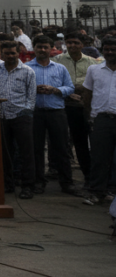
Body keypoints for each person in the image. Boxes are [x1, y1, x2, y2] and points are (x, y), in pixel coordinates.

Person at [26, 35, 76, 195]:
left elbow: (70, 87)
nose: (42, 50)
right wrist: (34, 89)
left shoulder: (59, 68)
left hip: (56, 112)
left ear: (51, 49)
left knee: (61, 148)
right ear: (34, 48)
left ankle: (66, 182)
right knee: (36, 149)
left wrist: (55, 90)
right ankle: (39, 182)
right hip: (35, 113)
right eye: (39, 47)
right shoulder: (27, 68)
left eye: (45, 47)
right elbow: (21, 89)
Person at [0, 40, 37, 198]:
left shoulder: (27, 71)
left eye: (13, 53)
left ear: (18, 54)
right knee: (5, 152)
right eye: (6, 53)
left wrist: (26, 113)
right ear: (1, 54)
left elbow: (31, 96)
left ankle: (28, 186)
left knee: (26, 153)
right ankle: (7, 184)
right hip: (1, 116)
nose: (10, 56)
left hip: (21, 116)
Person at [54, 32, 99, 183]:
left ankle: (89, 175)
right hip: (64, 104)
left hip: (85, 106)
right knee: (63, 142)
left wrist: (83, 93)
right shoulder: (58, 61)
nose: (72, 45)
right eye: (69, 42)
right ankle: (64, 176)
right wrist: (69, 92)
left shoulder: (92, 63)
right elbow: (54, 82)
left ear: (82, 44)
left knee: (85, 143)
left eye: (75, 42)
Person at [80, 37, 116, 206]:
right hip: (101, 119)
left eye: (113, 50)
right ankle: (96, 191)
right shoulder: (94, 70)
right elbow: (87, 95)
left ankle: (111, 191)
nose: (110, 53)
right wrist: (91, 115)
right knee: (99, 158)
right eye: (107, 49)